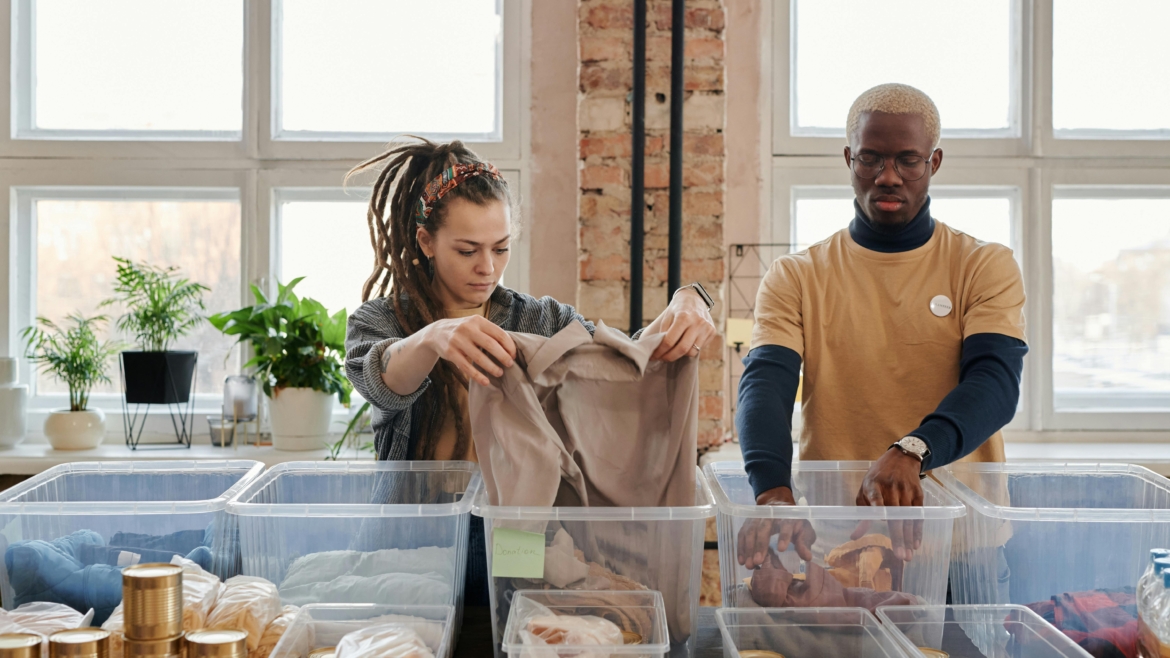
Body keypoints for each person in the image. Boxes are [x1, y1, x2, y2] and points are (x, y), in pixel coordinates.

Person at [343, 137, 718, 605]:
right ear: (426, 241)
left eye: (501, 248)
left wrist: (691, 298)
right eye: (467, 250)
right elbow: (382, 382)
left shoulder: (538, 319)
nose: (488, 267)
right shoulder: (380, 321)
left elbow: (624, 362)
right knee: (412, 641)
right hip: (410, 539)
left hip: (517, 541)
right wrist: (433, 337)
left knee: (513, 625)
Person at [735, 83, 1028, 570]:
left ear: (933, 163)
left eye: (907, 161)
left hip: (961, 547)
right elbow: (765, 382)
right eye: (871, 159)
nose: (888, 176)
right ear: (850, 160)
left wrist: (914, 449)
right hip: (838, 544)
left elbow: (994, 382)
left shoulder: (983, 265)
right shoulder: (797, 275)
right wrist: (771, 491)